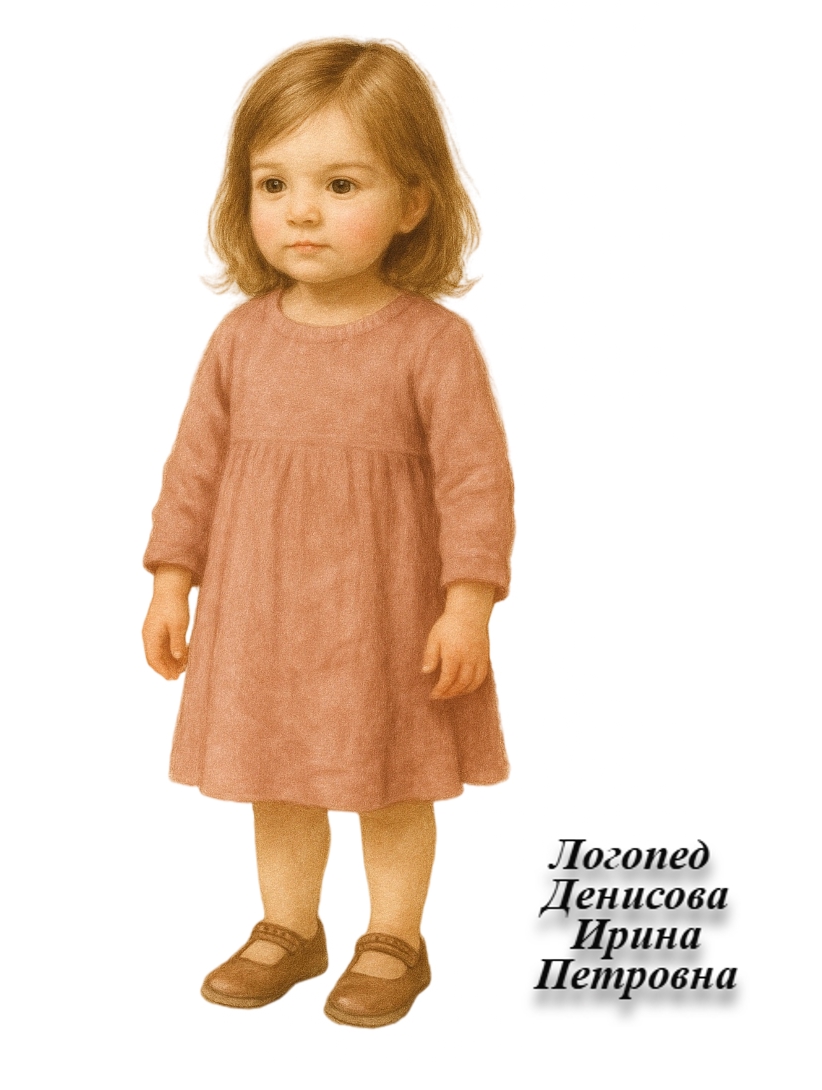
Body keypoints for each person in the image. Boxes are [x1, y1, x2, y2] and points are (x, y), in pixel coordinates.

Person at [142, 38, 515, 1028]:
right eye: (274, 184)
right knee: (277, 776)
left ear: (413, 201)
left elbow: (477, 483)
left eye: (339, 184)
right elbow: (193, 468)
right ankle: (288, 926)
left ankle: (394, 937)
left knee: (392, 782)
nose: (300, 211)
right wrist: (172, 580)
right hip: (262, 614)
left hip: (386, 617)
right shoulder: (240, 339)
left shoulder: (433, 344)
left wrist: (468, 605)